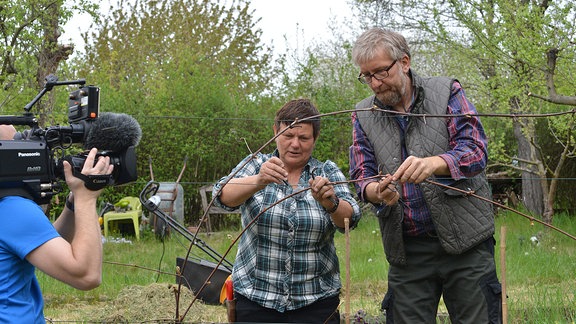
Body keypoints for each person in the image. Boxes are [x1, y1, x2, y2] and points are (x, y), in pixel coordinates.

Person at [349, 28, 501, 323]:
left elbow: (476, 150)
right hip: (408, 250)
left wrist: (436, 163)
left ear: (404, 62)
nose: (375, 84)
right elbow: (360, 174)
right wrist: (375, 191)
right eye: (367, 76)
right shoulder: (362, 114)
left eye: (381, 72)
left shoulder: (447, 92)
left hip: (466, 244)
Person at [213, 98, 362, 323]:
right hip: (255, 300)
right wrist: (259, 180)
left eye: (304, 138)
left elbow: (350, 218)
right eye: (288, 136)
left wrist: (330, 203)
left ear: (315, 139)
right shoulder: (256, 165)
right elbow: (221, 196)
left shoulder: (326, 171)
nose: (295, 144)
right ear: (275, 131)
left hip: (316, 301)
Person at [0, 123, 113, 323]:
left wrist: (74, 203)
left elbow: (39, 243)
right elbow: (87, 275)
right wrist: (86, 197)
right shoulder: (12, 208)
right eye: (18, 144)